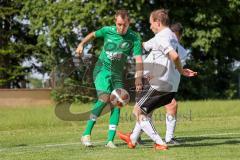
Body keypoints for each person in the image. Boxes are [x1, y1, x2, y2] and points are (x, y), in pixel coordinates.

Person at [117, 9, 197, 150]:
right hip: (172, 86)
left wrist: (181, 70)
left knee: (138, 112)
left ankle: (160, 142)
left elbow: (175, 56)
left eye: (151, 23)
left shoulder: (161, 37)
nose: (150, 27)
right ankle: (133, 139)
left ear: (158, 22)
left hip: (159, 82)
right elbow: (144, 45)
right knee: (145, 111)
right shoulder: (171, 36)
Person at [76, 9, 143, 148]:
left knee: (118, 103)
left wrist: (138, 78)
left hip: (117, 74)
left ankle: (110, 141)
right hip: (102, 71)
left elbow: (139, 60)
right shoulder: (107, 30)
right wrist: (81, 44)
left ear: (129, 23)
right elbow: (92, 35)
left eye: (124, 25)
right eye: (119, 24)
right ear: (115, 21)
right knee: (104, 98)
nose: (121, 28)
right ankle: (86, 134)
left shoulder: (135, 38)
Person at [136, 22, 188, 145]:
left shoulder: (182, 51)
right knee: (144, 110)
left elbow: (174, 69)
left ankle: (167, 138)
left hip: (164, 82)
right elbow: (147, 57)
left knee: (157, 108)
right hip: (150, 78)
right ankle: (139, 137)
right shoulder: (161, 39)